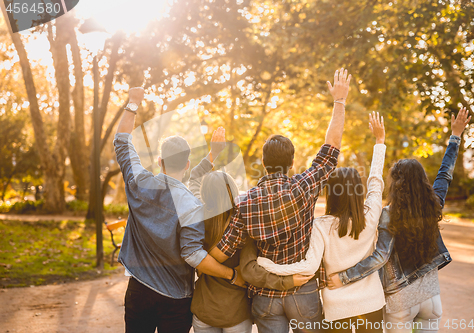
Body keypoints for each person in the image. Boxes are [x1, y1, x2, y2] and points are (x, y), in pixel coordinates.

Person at [209, 68, 352, 333]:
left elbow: (221, 251)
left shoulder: (246, 203)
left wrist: (198, 257)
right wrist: (339, 101)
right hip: (303, 291)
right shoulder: (304, 186)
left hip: (265, 295)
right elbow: (331, 146)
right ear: (291, 162)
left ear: (263, 164)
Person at [328, 107, 472, 333]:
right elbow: (445, 173)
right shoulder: (433, 204)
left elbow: (381, 257)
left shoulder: (388, 214)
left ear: (396, 185)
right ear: (422, 181)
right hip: (431, 300)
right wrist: (455, 136)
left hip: (401, 301)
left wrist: (344, 277)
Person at [114, 87, 245, 333]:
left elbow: (122, 141)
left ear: (160, 162)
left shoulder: (137, 183)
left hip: (138, 291)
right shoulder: (193, 206)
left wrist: (133, 102)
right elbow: (193, 255)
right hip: (175, 299)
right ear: (186, 164)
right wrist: (231, 274)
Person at [257, 111, 387, 333]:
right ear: (359, 190)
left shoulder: (322, 225)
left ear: (331, 194)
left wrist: (267, 265)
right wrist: (379, 141)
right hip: (371, 302)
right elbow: (376, 178)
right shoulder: (372, 213)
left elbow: (308, 266)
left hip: (337, 308)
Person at [188, 127, 313, 333]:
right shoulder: (244, 220)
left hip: (204, 310)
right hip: (235, 313)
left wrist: (213, 154)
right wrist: (287, 281)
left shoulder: (198, 215)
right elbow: (250, 270)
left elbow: (194, 179)